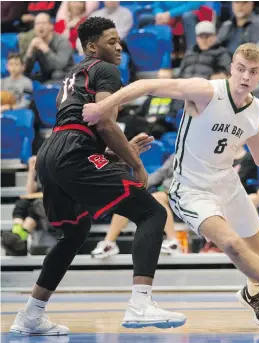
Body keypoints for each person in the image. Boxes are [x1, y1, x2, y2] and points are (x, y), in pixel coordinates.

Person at [82, 42, 259, 330]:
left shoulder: (255, 109)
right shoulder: (206, 91)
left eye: (253, 72)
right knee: (232, 244)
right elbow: (146, 84)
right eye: (241, 69)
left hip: (227, 182)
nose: (245, 77)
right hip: (192, 188)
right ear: (232, 68)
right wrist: (102, 106)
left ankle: (253, 294)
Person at [10, 17, 186, 336]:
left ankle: (31, 315)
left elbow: (82, 133)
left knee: (75, 235)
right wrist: (136, 165)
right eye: (111, 41)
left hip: (53, 153)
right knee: (151, 212)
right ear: (93, 46)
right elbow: (104, 123)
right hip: (72, 150)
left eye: (119, 41)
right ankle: (140, 303)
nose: (119, 46)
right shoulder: (104, 69)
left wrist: (120, 153)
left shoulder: (75, 73)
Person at [91, 154, 181, 258]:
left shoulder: (200, 156)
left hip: (186, 195)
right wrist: (137, 186)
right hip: (167, 194)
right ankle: (109, 244)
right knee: (128, 198)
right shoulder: (177, 154)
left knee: (157, 197)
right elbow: (160, 173)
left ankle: (172, 242)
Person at [24, 13, 74, 82]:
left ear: (51, 26)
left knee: (56, 74)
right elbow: (26, 70)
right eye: (37, 24)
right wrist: (30, 50)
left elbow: (60, 66)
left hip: (66, 76)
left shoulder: (62, 42)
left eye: (43, 23)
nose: (40, 26)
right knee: (26, 78)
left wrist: (46, 49)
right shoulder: (36, 42)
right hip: (47, 75)